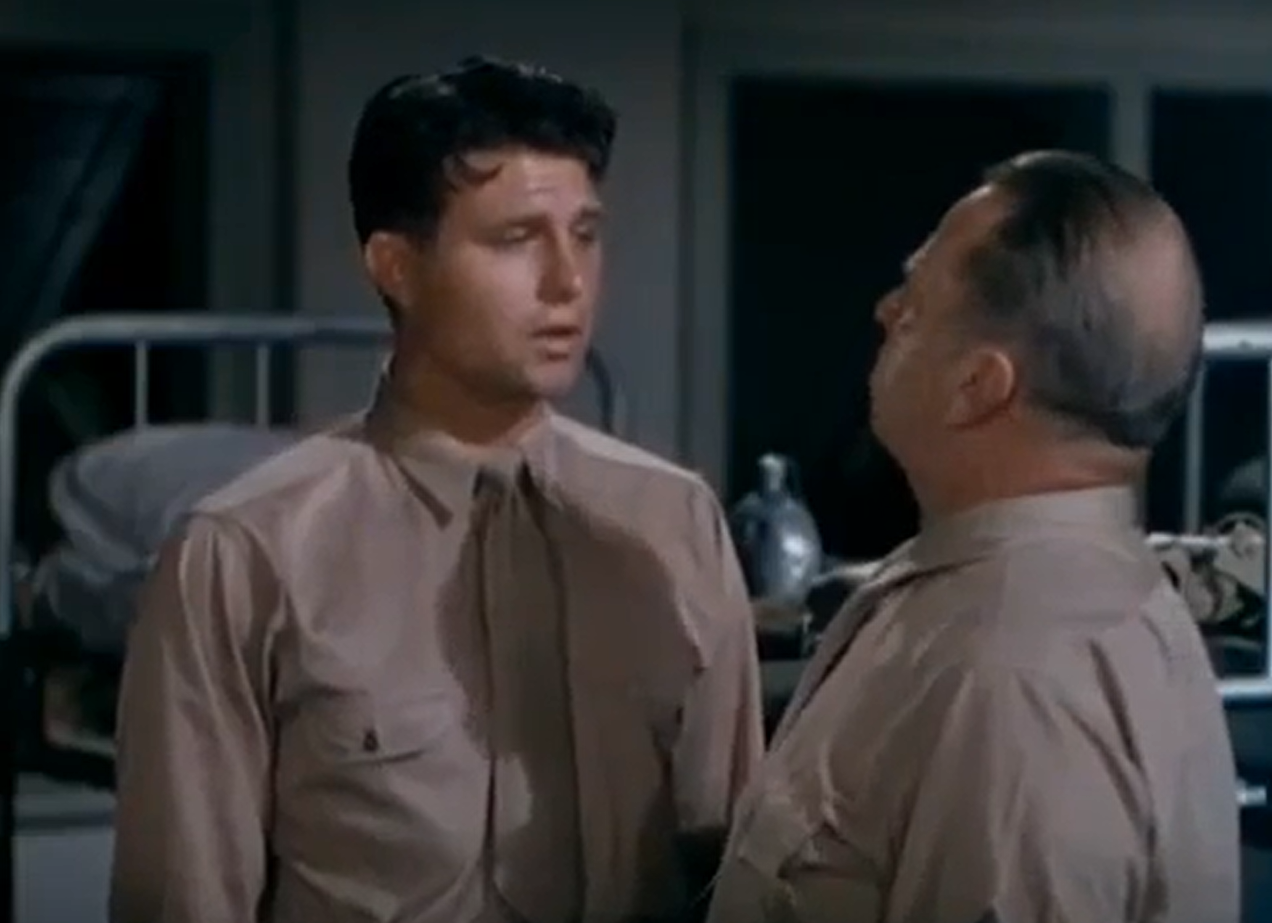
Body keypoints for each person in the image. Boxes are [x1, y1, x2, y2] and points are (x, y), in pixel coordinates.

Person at [110, 56, 763, 923]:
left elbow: (738, 875)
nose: (568, 281)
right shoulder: (247, 554)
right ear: (396, 266)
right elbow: (182, 901)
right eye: (517, 239)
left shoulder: (673, 523)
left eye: (585, 234)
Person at [705, 150, 1240, 923]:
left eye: (916, 300)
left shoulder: (1015, 686)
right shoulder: (995, 595)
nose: (886, 309)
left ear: (978, 386)